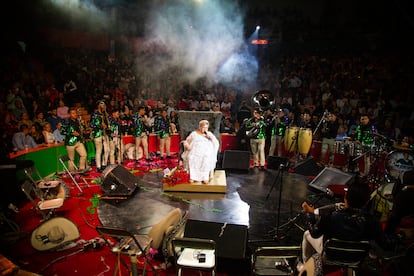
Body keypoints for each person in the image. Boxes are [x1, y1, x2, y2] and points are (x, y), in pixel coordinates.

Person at [298, 179, 388, 274]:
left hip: (330, 258)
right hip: (355, 260)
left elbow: (315, 234)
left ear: (345, 197)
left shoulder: (330, 216)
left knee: (307, 234)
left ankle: (305, 266)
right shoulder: (373, 222)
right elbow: (384, 244)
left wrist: (310, 217)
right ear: (367, 202)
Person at [61, 108, 87, 172]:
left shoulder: (78, 120)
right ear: (69, 114)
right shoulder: (66, 121)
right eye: (73, 113)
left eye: (75, 113)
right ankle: (72, 172)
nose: (75, 114)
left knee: (84, 155)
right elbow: (62, 131)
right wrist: (71, 133)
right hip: (70, 143)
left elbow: (82, 129)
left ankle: (81, 170)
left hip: (78, 141)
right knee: (71, 159)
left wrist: (83, 125)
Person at [90, 100, 110, 172]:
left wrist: (107, 126)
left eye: (104, 105)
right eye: (102, 104)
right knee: (99, 150)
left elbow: (108, 124)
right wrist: (99, 125)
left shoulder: (105, 114)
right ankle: (98, 167)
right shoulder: (94, 114)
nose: (104, 106)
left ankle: (104, 165)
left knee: (107, 150)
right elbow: (91, 125)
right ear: (98, 105)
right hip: (97, 134)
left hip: (104, 134)